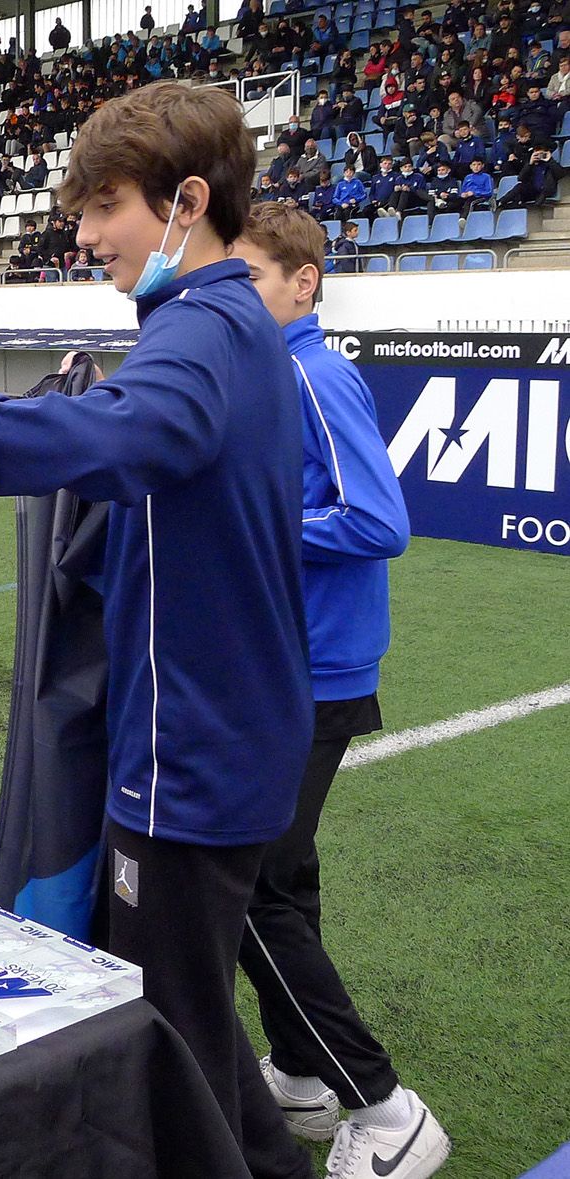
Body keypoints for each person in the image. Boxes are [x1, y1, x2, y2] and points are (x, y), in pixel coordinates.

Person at [0, 81, 316, 1179]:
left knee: (160, 1028)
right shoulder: (231, 323)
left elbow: (123, 436)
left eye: (105, 207)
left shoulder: (202, 327)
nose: (83, 237)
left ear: (187, 199)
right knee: (190, 1012)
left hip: (195, 754)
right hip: (220, 734)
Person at [232, 202, 449, 1179]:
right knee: (284, 880)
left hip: (318, 674)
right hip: (294, 666)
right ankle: (302, 1071)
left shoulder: (317, 375)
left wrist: (253, 525)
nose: (236, 298)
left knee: (247, 893)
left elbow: (377, 519)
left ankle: (386, 1108)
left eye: (252, 279)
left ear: (302, 282)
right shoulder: (277, 373)